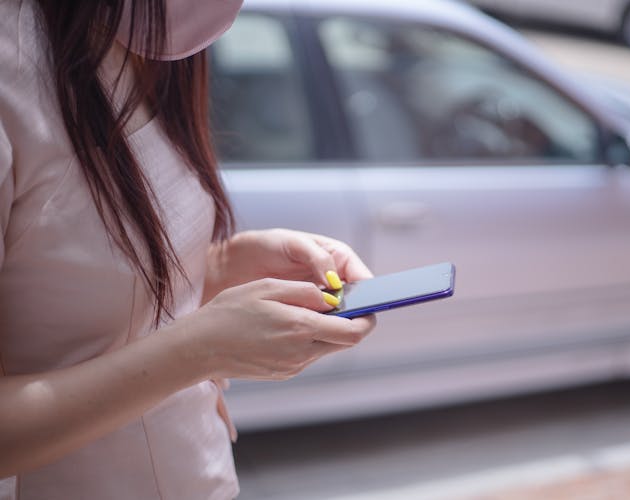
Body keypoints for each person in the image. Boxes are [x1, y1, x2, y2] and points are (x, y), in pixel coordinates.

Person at [0, 0, 376, 498]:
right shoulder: (16, 64)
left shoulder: (157, 37)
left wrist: (220, 265)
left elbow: (79, 274)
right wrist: (199, 350)